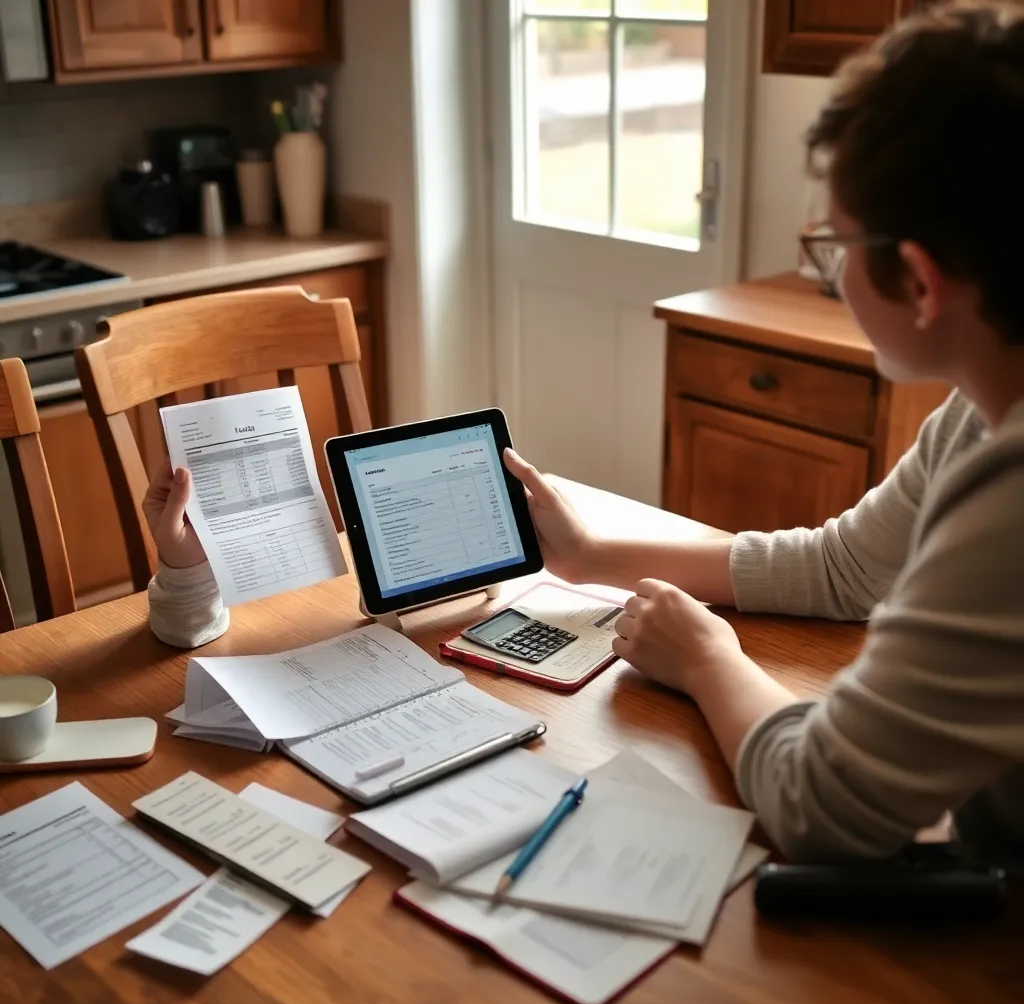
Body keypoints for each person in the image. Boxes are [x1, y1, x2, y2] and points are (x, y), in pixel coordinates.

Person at [144, 1, 1024, 863]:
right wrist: (590, 557)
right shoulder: (974, 415)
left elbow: (820, 801)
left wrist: (711, 659)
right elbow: (842, 569)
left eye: (833, 245)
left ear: (916, 280)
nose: (830, 269)